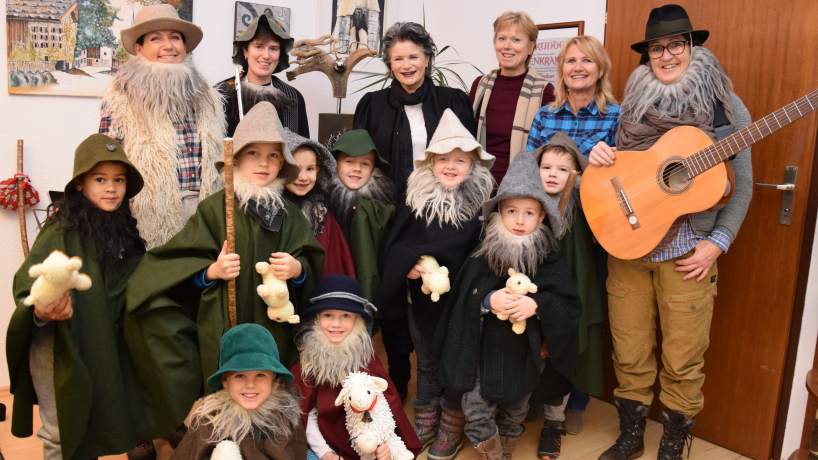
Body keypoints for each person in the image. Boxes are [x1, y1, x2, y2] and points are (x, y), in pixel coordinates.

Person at [589, 5, 752, 459]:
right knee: (629, 353)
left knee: (683, 360)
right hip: (629, 251)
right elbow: (626, 172)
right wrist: (601, 157)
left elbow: (742, 187)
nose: (665, 56)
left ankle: (674, 442)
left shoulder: (724, 107)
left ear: (692, 47)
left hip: (687, 257)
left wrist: (716, 244)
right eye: (656, 48)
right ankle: (632, 435)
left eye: (675, 45)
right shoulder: (634, 105)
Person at [123, 102, 325, 447]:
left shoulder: (289, 215)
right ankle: (220, 442)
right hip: (222, 319)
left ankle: (264, 441)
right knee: (227, 379)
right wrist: (210, 271)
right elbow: (177, 263)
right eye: (253, 153)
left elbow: (310, 260)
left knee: (265, 383)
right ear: (235, 159)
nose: (263, 163)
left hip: (269, 323)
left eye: (273, 156)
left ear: (282, 163)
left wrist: (298, 270)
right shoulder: (215, 209)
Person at [432, 150, 582, 460]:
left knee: (515, 413)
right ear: (500, 210)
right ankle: (495, 456)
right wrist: (487, 300)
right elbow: (465, 294)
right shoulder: (485, 251)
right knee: (475, 409)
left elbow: (567, 302)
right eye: (512, 210)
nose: (519, 220)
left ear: (542, 216)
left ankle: (506, 451)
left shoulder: (547, 254)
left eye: (529, 213)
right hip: (483, 355)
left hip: (524, 357)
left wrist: (537, 305)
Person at [6, 134, 146, 460]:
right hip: (56, 346)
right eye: (100, 179)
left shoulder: (123, 232)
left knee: (90, 422)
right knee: (62, 430)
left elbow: (138, 280)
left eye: (118, 180)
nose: (111, 188)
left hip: (98, 343)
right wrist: (42, 311)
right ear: (81, 183)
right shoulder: (61, 228)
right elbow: (26, 285)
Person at [376, 109, 495, 460]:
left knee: (457, 363)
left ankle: (451, 426)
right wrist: (407, 267)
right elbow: (397, 246)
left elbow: (486, 255)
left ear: (473, 163)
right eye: (443, 158)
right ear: (430, 163)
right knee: (427, 363)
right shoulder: (417, 203)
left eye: (460, 159)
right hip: (421, 302)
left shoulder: (481, 208)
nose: (451, 166)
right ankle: (427, 419)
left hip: (461, 306)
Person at [525, 34, 620, 441]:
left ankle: (575, 401)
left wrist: (600, 168)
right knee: (543, 308)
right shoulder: (546, 115)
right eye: (570, 61)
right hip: (548, 230)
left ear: (601, 69)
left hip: (594, 232)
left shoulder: (618, 116)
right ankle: (540, 395)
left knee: (585, 311)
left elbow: (628, 177)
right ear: (560, 69)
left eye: (587, 61)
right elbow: (528, 169)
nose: (578, 67)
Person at [99, 3, 225, 250]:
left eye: (174, 37)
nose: (168, 46)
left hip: (204, 206)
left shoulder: (207, 95)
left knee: (203, 277)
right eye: (156, 38)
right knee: (157, 275)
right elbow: (108, 157)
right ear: (139, 48)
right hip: (149, 209)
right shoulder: (121, 98)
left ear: (184, 45)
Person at [290, 275, 422, 460]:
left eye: (346, 316)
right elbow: (304, 412)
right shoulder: (308, 362)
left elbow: (382, 408)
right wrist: (326, 454)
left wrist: (382, 444)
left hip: (361, 441)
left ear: (357, 320)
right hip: (317, 442)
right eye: (328, 315)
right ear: (317, 318)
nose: (336, 324)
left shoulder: (365, 358)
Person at [530, 133, 602, 459]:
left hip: (568, 296)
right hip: (531, 296)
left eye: (563, 168)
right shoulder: (526, 205)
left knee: (563, 354)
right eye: (546, 167)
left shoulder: (584, 207)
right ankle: (526, 403)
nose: (553, 174)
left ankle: (553, 422)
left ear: (577, 174)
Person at [354, 21, 477, 199]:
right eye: (398, 59)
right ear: (390, 64)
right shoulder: (372, 105)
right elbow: (360, 163)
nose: (406, 65)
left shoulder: (453, 102)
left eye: (413, 57)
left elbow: (469, 161)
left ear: (427, 59)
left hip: (442, 205)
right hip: (386, 207)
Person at [171, 324, 307, 460]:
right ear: (225, 380)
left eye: (260, 375)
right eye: (240, 376)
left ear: (273, 379)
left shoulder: (286, 418)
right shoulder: (210, 420)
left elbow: (294, 453)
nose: (250, 385)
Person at [469, 11, 556, 184]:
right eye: (501, 38)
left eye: (516, 40)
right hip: (477, 185)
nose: (506, 46)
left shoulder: (546, 91)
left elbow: (549, 151)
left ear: (531, 47)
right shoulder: (480, 85)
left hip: (521, 188)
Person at [327, 129, 398, 301]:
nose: (357, 168)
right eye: (349, 161)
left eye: (365, 164)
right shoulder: (324, 198)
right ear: (336, 164)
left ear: (374, 168)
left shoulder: (384, 204)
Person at [214, 14, 310, 138]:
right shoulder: (221, 95)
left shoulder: (293, 97)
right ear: (245, 51)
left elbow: (303, 151)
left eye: (273, 48)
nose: (266, 55)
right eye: (259, 46)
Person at [282, 129, 355, 278]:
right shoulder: (275, 210)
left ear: (318, 170)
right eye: (295, 169)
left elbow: (336, 261)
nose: (303, 177)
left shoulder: (321, 213)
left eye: (310, 169)